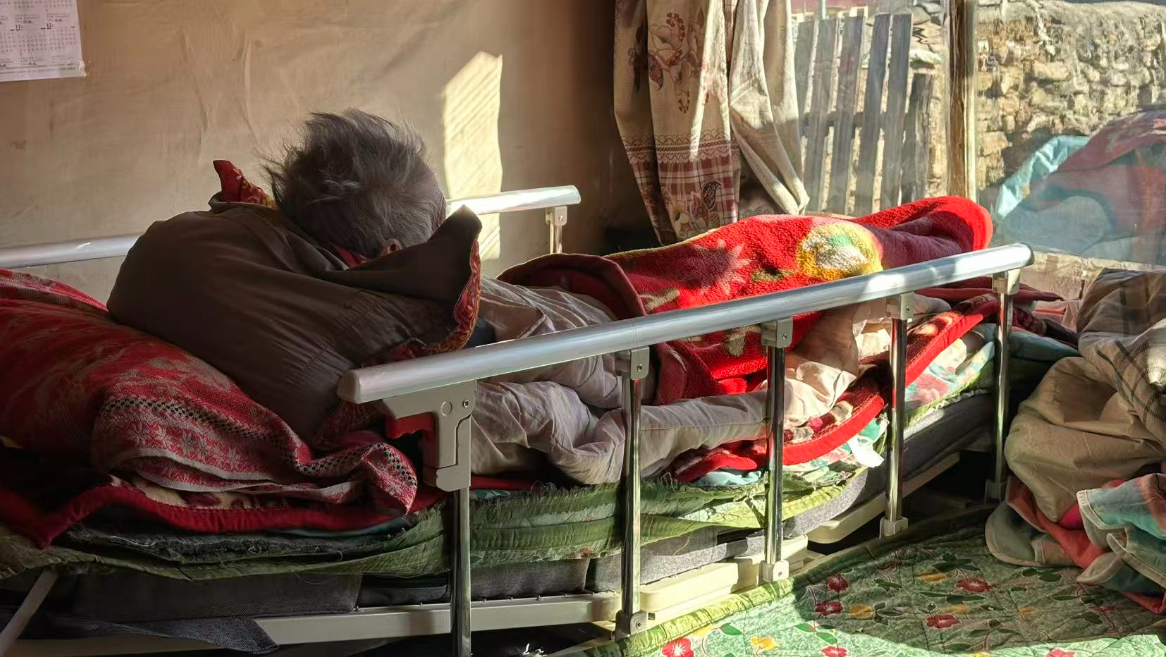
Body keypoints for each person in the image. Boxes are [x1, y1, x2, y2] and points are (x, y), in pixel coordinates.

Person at [108, 110, 870, 485]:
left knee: (553, 327)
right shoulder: (378, 312)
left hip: (479, 350)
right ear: (386, 254)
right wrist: (633, 376)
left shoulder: (204, 236)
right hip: (417, 418)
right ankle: (747, 405)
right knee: (565, 401)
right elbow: (530, 351)